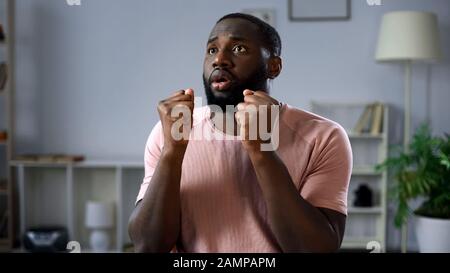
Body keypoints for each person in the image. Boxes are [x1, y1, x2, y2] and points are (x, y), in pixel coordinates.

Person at [128, 13, 352, 253]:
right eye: (212, 50)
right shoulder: (168, 133)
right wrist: (171, 152)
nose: (220, 60)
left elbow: (317, 250)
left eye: (239, 48)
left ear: (273, 66)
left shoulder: (324, 137)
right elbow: (148, 246)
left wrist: (261, 150)